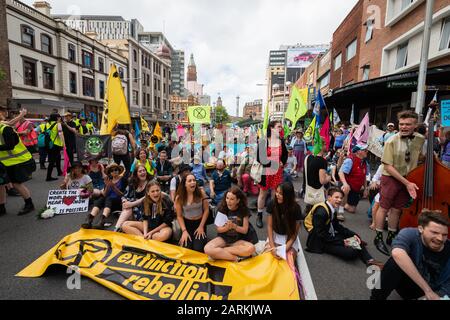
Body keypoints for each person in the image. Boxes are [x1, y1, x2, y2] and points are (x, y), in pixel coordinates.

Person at [374, 110, 425, 256]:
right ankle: (378, 238)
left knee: (397, 209)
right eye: (401, 124)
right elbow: (388, 166)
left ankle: (391, 236)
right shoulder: (391, 141)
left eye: (408, 124)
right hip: (391, 178)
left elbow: (419, 156)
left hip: (408, 178)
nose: (403, 127)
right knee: (384, 208)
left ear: (415, 125)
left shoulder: (420, 139)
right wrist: (407, 183)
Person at [371, 210, 450, 300]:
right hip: (410, 283)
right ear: (421, 229)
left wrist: (437, 295)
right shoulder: (410, 234)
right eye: (434, 233)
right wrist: (427, 290)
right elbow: (397, 253)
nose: (440, 238)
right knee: (395, 262)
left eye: (444, 235)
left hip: (434, 292)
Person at [304, 188, 383, 267]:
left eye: (341, 198)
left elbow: (337, 226)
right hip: (320, 241)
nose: (339, 200)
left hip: (329, 234)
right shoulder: (321, 212)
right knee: (351, 252)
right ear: (329, 197)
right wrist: (342, 242)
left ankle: (370, 260)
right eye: (336, 197)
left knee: (356, 239)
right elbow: (320, 234)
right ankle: (361, 251)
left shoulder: (331, 208)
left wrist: (354, 235)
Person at [204, 186, 257, 261]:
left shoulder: (244, 210)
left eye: (232, 199)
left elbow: (245, 230)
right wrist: (227, 228)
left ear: (238, 200)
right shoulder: (221, 208)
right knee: (207, 249)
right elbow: (218, 229)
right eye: (227, 198)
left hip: (238, 240)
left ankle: (219, 253)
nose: (228, 201)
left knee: (251, 248)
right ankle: (236, 258)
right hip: (223, 239)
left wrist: (234, 226)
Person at [0, 106, 36, 216]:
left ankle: (29, 204)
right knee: (1, 184)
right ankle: (1, 207)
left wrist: (21, 116)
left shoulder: (5, 128)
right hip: (4, 162)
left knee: (16, 183)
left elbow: (10, 145)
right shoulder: (5, 125)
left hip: (16, 161)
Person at [256, 120, 288, 229]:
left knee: (276, 194)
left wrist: (282, 162)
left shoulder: (281, 141)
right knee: (263, 194)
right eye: (278, 127)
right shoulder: (263, 141)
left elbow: (285, 155)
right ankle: (259, 215)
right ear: (271, 128)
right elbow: (259, 158)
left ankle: (274, 215)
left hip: (277, 172)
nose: (281, 129)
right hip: (265, 172)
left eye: (281, 127)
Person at [81, 164, 127, 229]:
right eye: (112, 170)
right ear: (110, 173)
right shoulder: (109, 180)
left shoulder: (123, 180)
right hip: (109, 201)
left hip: (119, 201)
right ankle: (90, 220)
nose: (114, 171)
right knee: (100, 199)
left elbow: (123, 195)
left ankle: (102, 221)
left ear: (119, 171)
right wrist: (108, 186)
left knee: (108, 199)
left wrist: (114, 187)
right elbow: (105, 194)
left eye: (116, 170)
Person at [174, 173, 209, 252]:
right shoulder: (179, 197)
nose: (193, 182)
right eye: (189, 181)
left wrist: (201, 226)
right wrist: (184, 231)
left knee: (198, 248)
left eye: (194, 180)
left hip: (200, 222)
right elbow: (179, 216)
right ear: (185, 184)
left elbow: (206, 210)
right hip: (187, 224)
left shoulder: (201, 192)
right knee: (186, 248)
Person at [267, 182, 302, 259]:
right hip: (275, 235)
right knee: (270, 258)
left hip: (289, 238)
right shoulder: (272, 203)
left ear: (288, 196)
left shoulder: (296, 208)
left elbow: (294, 234)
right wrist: (272, 246)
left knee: (288, 258)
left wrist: (285, 249)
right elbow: (269, 226)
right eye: (277, 192)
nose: (277, 195)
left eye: (281, 194)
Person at [114, 164, 151, 232]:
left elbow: (148, 197)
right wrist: (124, 201)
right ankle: (117, 229)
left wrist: (132, 204)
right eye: (140, 171)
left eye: (144, 170)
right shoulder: (133, 182)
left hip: (145, 210)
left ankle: (119, 228)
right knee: (127, 207)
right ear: (136, 174)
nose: (143, 172)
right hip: (133, 209)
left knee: (128, 208)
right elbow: (124, 195)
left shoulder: (150, 183)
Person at [338, 144, 369, 216]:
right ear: (358, 152)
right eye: (365, 150)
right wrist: (345, 184)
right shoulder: (350, 160)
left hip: (356, 188)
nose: (367, 152)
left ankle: (343, 202)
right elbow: (340, 172)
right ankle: (340, 211)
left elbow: (364, 176)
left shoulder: (365, 162)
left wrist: (365, 188)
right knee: (346, 189)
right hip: (347, 184)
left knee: (352, 210)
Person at [303, 144, 331, 214]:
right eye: (325, 144)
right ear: (321, 146)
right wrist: (328, 177)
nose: (327, 146)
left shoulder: (308, 157)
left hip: (308, 188)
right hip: (317, 192)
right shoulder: (321, 161)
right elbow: (322, 181)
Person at [36, 113, 65, 181]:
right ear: (57, 118)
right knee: (52, 161)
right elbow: (60, 134)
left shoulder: (46, 124)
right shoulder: (58, 124)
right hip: (55, 144)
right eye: (59, 117)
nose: (60, 118)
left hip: (48, 145)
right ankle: (48, 177)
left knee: (57, 157)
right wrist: (64, 144)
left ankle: (59, 172)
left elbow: (36, 130)